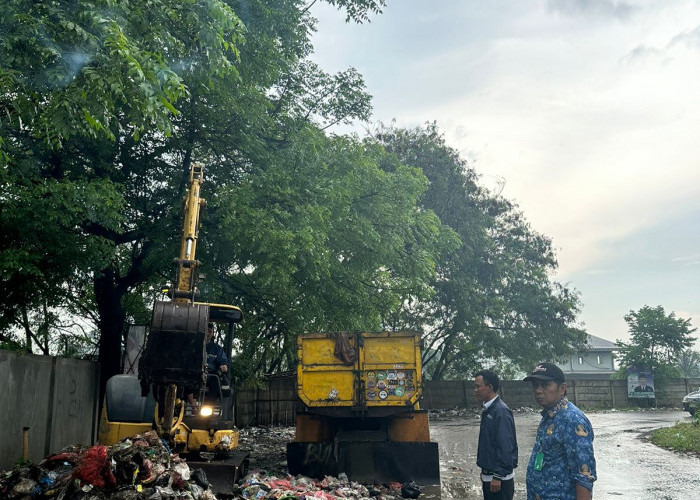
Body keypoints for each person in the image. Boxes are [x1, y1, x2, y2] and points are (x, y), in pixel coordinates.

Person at [524, 363, 596, 500]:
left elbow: (583, 477)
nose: (538, 390)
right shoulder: (549, 416)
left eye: (545, 385)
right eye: (535, 385)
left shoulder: (573, 421)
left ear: (562, 388)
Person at [474, 370, 518, 500]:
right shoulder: (489, 409)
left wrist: (498, 476)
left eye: (478, 386)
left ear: (490, 387)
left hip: (499, 480)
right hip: (490, 477)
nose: (475, 390)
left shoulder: (501, 412)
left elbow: (505, 446)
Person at [186, 323, 229, 406]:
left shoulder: (217, 348)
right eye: (206, 331)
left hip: (210, 375)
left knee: (215, 381)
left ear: (212, 333)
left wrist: (223, 365)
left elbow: (222, 360)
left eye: (210, 331)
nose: (208, 334)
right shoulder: (194, 346)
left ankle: (208, 407)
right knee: (187, 380)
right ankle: (193, 406)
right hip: (195, 373)